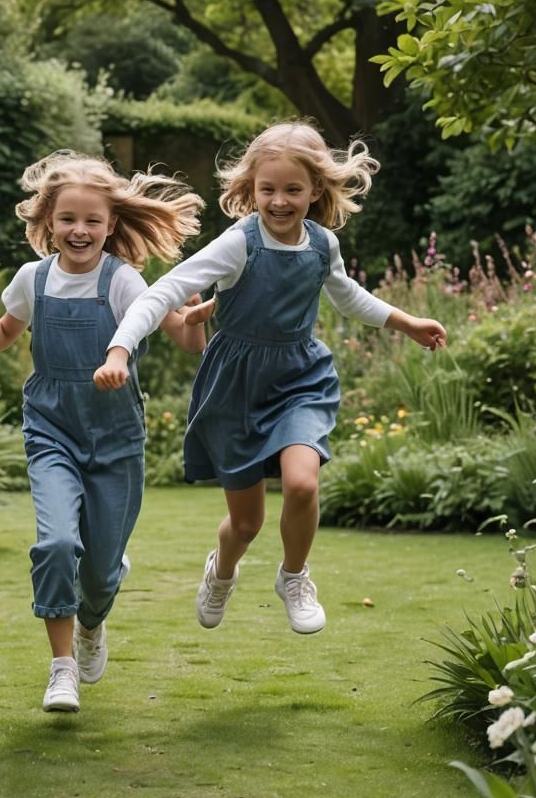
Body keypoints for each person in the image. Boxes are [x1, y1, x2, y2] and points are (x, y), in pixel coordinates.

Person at [93, 121, 446, 637]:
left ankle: (295, 575)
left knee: (302, 483)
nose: (279, 201)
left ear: (316, 190)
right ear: (250, 190)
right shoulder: (239, 243)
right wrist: (121, 349)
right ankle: (223, 572)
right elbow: (162, 293)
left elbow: (348, 295)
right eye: (268, 190)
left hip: (301, 376)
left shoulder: (322, 245)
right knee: (246, 523)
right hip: (236, 386)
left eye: (293, 190)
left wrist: (406, 322)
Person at [0, 151, 206, 713]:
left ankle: (95, 616)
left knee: (99, 570)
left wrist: (197, 318)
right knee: (57, 543)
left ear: (111, 224)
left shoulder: (122, 281)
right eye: (68, 219)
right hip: (52, 430)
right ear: (47, 223)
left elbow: (183, 339)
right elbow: (7, 328)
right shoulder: (31, 279)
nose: (80, 230)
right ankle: (61, 667)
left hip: (115, 438)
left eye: (92, 220)